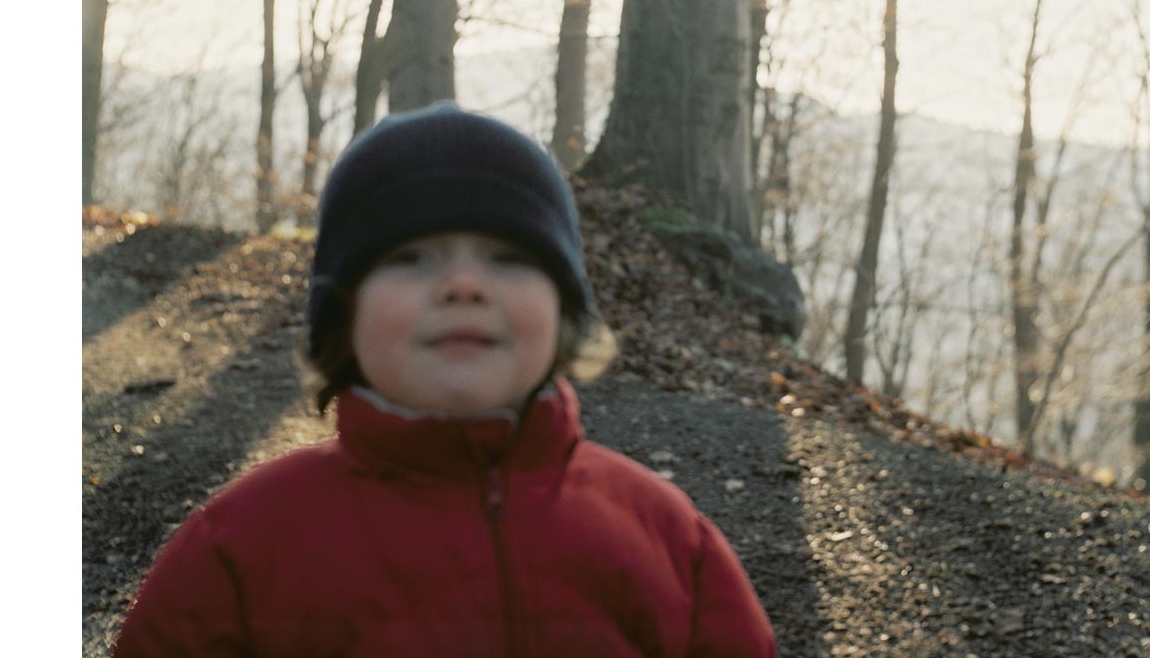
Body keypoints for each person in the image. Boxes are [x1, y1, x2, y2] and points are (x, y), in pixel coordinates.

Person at [114, 101, 777, 657]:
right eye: (410, 259)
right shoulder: (239, 550)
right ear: (345, 315)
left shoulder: (668, 541)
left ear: (565, 311)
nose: (463, 285)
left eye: (507, 257)